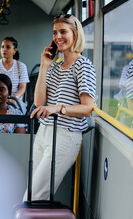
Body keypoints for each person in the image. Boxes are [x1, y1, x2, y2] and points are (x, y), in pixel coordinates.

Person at [23, 14, 96, 201]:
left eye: (63, 31)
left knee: (33, 198)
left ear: (75, 34)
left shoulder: (83, 66)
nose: (58, 37)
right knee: (33, 195)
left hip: (65, 136)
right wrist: (44, 66)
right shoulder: (54, 67)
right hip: (44, 133)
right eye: (55, 33)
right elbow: (39, 102)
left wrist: (59, 108)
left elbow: (88, 108)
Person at [0, 37, 29, 113]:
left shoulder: (21, 66)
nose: (4, 49)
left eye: (8, 47)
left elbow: (22, 88)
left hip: (15, 100)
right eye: (2, 47)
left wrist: (14, 98)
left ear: (14, 51)